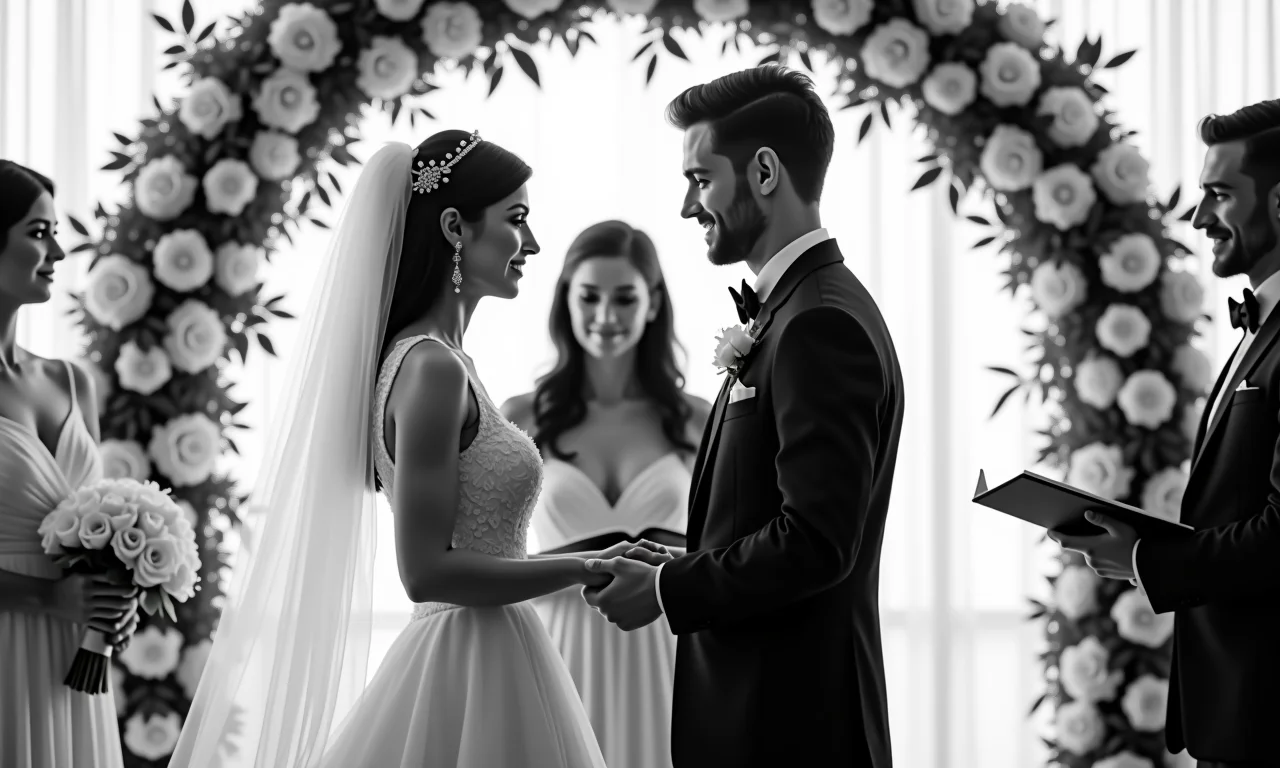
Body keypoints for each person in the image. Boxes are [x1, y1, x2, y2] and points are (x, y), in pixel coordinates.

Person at [170, 131, 669, 767]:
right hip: (471, 658)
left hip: (498, 645)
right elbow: (425, 572)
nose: (533, 243)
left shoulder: (444, 361)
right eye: (517, 219)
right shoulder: (432, 368)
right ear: (455, 227)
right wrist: (583, 566)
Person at [582, 65, 905, 768]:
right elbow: (769, 517)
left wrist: (667, 589)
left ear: (763, 172)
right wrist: (684, 561)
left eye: (700, 179)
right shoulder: (801, 308)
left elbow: (815, 541)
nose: (686, 207)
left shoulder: (819, 323)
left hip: (790, 729)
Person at [1052, 99, 1280, 768]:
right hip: (1236, 714)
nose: (1200, 217)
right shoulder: (1262, 327)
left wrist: (1146, 560)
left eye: (1220, 194)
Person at [502, 219, 711, 768]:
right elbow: (488, 560)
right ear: (565, 299)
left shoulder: (698, 420)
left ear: (653, 301)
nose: (605, 316)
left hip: (668, 649)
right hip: (560, 650)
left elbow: (731, 550)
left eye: (624, 298)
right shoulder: (522, 418)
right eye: (589, 296)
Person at [0, 160, 139, 767]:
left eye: (55, 232)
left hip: (72, 667)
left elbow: (90, 533)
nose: (57, 251)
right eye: (38, 233)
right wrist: (47, 599)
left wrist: (116, 598)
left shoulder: (72, 382)